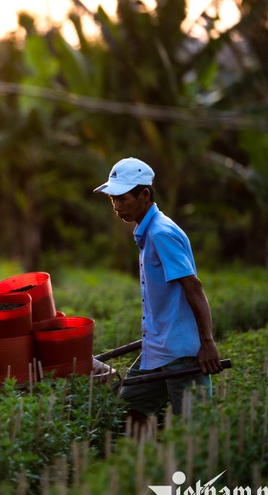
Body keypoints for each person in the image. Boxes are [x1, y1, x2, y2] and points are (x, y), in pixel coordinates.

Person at [94, 157, 223, 437]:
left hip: (180, 353)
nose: (116, 207)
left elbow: (194, 287)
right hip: (156, 349)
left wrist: (207, 343)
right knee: (127, 410)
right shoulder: (147, 232)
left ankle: (194, 473)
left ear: (144, 195)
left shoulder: (161, 233)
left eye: (123, 199)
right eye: (112, 200)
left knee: (196, 430)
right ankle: (149, 466)